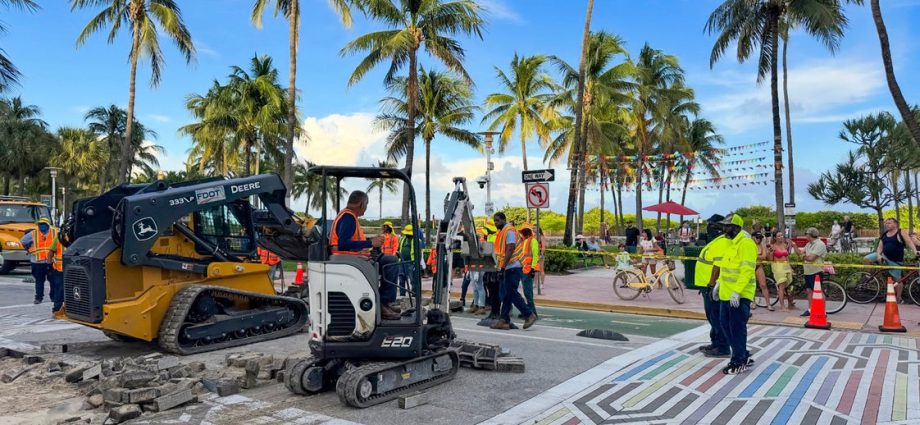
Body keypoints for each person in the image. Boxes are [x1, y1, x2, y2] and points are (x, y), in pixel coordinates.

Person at [330, 190, 400, 320]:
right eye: (366, 205)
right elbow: (343, 244)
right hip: (349, 260)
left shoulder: (348, 216)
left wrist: (370, 241)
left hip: (352, 258)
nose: (366, 209)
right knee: (391, 262)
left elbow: (350, 240)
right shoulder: (348, 217)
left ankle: (385, 302)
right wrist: (370, 242)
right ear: (361, 204)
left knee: (389, 260)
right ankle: (383, 303)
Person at [716, 214, 757, 374]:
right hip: (726, 294)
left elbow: (747, 270)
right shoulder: (731, 243)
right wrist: (719, 283)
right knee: (725, 325)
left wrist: (737, 292)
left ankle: (738, 361)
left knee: (737, 328)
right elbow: (726, 266)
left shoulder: (745, 244)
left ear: (736, 227)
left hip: (739, 295)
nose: (724, 229)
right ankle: (743, 354)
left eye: (727, 226)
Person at [491, 212, 538, 330]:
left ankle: (529, 314)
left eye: (497, 220)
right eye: (495, 221)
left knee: (511, 292)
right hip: (509, 266)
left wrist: (502, 267)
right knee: (506, 294)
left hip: (513, 266)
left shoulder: (509, 231)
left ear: (503, 220)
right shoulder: (503, 232)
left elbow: (510, 248)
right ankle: (504, 320)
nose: (496, 223)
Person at [695, 214, 730, 358]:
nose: (708, 227)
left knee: (716, 316)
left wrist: (712, 284)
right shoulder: (716, 241)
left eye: (711, 224)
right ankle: (715, 343)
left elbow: (718, 265)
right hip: (706, 285)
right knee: (712, 316)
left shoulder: (722, 242)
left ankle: (722, 347)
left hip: (713, 286)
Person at [864, 218, 917, 303]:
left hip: (895, 261)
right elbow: (879, 247)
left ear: (895, 224)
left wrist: (915, 252)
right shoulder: (884, 234)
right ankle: (871, 276)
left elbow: (909, 242)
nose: (887, 224)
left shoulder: (900, 232)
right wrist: (878, 255)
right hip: (884, 257)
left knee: (898, 280)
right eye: (886, 223)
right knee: (866, 259)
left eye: (889, 223)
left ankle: (898, 298)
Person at [21, 217, 64, 314]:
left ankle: (53, 297)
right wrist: (29, 249)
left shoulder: (55, 232)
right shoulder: (33, 234)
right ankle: (38, 297)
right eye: (40, 224)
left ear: (48, 225)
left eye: (43, 224)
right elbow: (23, 241)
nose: (41, 226)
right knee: (39, 281)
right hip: (37, 261)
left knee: (53, 282)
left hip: (51, 262)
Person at [795, 227, 829, 316]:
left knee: (818, 291)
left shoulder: (819, 244)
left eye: (806, 234)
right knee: (809, 291)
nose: (805, 235)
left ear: (810, 235)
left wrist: (803, 256)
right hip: (808, 271)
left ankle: (823, 311)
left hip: (816, 271)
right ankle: (810, 310)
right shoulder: (808, 244)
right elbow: (800, 253)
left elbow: (811, 258)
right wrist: (794, 246)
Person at [768, 231, 795, 311]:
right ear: (775, 238)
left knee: (788, 286)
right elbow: (770, 259)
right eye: (779, 236)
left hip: (786, 266)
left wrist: (790, 268)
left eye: (781, 235)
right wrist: (771, 252)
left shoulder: (785, 245)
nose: (781, 237)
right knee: (782, 286)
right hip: (778, 267)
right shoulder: (773, 246)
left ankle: (789, 301)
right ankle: (782, 306)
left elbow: (787, 258)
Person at [519, 224, 540, 317]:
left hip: (528, 270)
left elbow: (536, 255)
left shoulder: (533, 241)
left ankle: (532, 313)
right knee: (526, 292)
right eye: (523, 231)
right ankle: (529, 312)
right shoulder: (524, 241)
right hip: (524, 269)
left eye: (526, 231)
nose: (524, 232)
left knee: (528, 293)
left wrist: (533, 268)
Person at [482, 219, 502, 319]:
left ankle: (496, 312)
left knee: (495, 291)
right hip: (490, 266)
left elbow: (496, 252)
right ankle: (493, 312)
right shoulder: (490, 236)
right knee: (492, 290)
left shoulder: (496, 237)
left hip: (496, 266)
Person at [750, 232, 773, 311]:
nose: (759, 239)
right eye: (757, 238)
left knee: (763, 285)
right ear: (753, 237)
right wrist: (758, 256)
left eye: (760, 238)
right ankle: (753, 302)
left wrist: (756, 256)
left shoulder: (762, 245)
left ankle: (768, 304)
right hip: (750, 267)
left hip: (758, 266)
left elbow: (764, 256)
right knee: (752, 286)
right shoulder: (749, 245)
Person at [397, 224, 419, 297]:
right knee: (401, 279)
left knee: (413, 280)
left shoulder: (416, 240)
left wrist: (416, 263)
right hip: (402, 262)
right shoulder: (403, 239)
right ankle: (402, 294)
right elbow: (398, 248)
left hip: (411, 262)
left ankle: (414, 295)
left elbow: (419, 253)